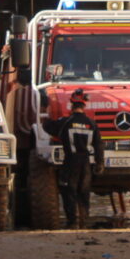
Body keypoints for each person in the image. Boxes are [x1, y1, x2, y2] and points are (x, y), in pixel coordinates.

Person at [52, 89, 103, 229]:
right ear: (84, 106)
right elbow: (99, 145)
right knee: (84, 192)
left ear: (71, 105)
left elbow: (47, 126)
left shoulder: (65, 122)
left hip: (70, 162)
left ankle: (72, 222)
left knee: (69, 192)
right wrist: (99, 163)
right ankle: (84, 221)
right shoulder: (91, 124)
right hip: (86, 164)